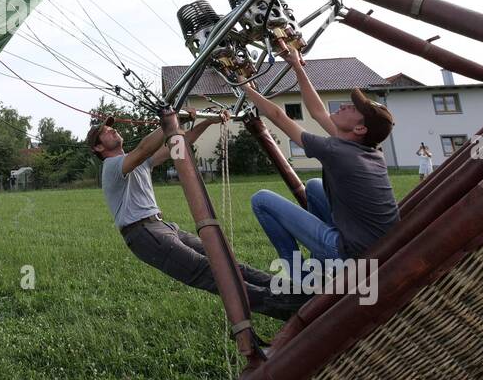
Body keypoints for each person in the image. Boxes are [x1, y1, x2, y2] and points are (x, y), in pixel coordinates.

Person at [88, 110, 298, 317]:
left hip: (163, 227)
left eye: (112, 128)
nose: (113, 131)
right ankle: (291, 307)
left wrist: (205, 123)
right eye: (107, 131)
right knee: (211, 272)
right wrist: (170, 119)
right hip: (144, 233)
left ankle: (293, 292)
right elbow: (144, 148)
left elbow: (180, 144)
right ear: (98, 147)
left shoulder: (138, 162)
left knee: (226, 261)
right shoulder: (112, 166)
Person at [243, 47, 400, 271]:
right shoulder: (365, 149)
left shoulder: (339, 152)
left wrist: (243, 85)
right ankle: (320, 259)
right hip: (373, 248)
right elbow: (318, 111)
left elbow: (278, 116)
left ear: (360, 127)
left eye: (354, 109)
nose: (346, 105)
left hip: (351, 256)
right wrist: (297, 66)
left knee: (261, 200)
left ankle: (299, 275)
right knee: (315, 186)